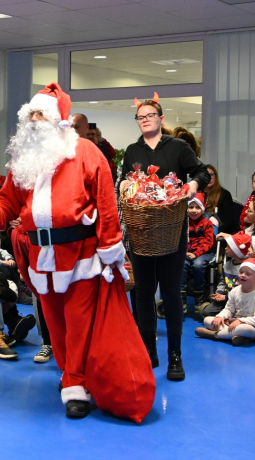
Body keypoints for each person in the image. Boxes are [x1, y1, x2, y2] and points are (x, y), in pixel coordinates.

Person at [0, 83, 145, 420]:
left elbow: (106, 204)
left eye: (42, 114)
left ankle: (78, 383)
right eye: (31, 114)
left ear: (58, 120)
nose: (35, 120)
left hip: (80, 255)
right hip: (41, 258)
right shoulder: (26, 158)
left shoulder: (85, 152)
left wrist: (111, 250)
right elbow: (9, 200)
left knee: (79, 323)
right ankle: (71, 376)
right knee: (54, 324)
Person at [119, 94, 210, 381]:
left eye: (150, 115)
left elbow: (201, 172)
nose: (145, 119)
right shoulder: (133, 151)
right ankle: (148, 350)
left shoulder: (179, 147)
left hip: (172, 232)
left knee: (171, 294)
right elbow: (123, 179)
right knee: (143, 293)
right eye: (140, 116)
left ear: (161, 119)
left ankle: (175, 354)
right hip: (142, 232)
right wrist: (124, 187)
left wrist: (192, 184)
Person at [195, 258, 255, 346]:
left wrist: (240, 321)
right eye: (241, 272)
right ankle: (240, 338)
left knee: (245, 329)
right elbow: (228, 309)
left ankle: (214, 335)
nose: (242, 275)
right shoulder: (235, 291)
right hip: (233, 325)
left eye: (248, 274)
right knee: (207, 320)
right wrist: (220, 317)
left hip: (250, 326)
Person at [201, 232, 251, 318]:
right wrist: (219, 293)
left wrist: (226, 297)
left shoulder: (246, 268)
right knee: (206, 312)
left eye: (228, 246)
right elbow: (222, 281)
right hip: (226, 299)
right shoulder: (227, 265)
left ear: (236, 250)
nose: (225, 248)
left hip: (240, 300)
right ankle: (227, 317)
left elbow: (243, 288)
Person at [181, 193, 215, 309]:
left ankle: (199, 296)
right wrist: (184, 252)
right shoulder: (183, 223)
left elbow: (209, 242)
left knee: (198, 265)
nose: (194, 210)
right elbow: (181, 240)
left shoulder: (207, 223)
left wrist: (196, 253)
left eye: (197, 207)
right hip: (186, 253)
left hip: (203, 253)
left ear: (202, 209)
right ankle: (182, 297)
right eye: (191, 207)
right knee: (182, 265)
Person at [203, 165, 235, 234]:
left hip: (217, 232)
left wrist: (213, 232)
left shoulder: (224, 194)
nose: (209, 178)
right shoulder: (196, 193)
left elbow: (227, 222)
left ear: (216, 177)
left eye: (211, 175)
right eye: (206, 175)